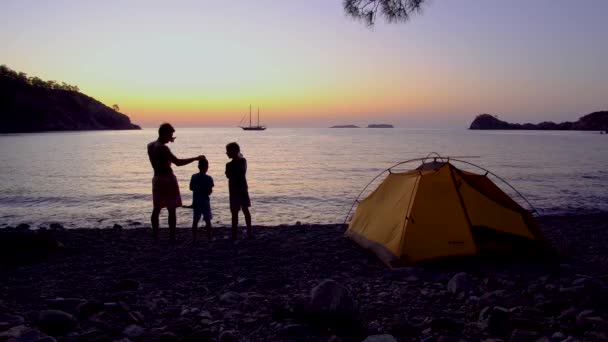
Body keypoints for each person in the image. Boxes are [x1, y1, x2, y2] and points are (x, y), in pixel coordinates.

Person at [147, 123, 204, 242]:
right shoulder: (163, 147)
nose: (171, 137)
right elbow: (177, 162)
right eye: (170, 134)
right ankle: (172, 237)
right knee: (171, 209)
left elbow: (158, 160)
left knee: (156, 208)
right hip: (167, 179)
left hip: (156, 178)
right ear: (165, 133)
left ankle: (155, 236)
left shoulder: (151, 145)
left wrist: (167, 140)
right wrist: (195, 158)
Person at [225, 142, 252, 240]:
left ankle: (234, 235)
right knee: (245, 210)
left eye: (228, 151)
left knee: (235, 213)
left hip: (234, 191)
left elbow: (228, 175)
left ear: (232, 152)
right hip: (242, 189)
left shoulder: (229, 165)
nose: (226, 153)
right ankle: (248, 232)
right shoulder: (243, 161)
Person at [190, 157, 214, 242]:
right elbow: (209, 191)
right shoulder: (209, 178)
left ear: (198, 166)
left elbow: (191, 188)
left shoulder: (194, 176)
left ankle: (194, 238)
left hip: (196, 200)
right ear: (207, 167)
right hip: (205, 201)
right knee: (208, 220)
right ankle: (209, 238)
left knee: (195, 220)